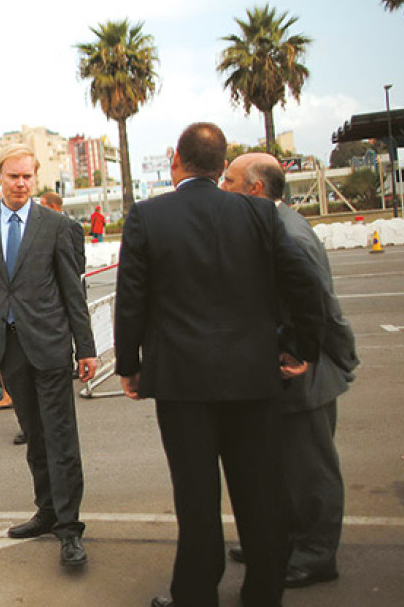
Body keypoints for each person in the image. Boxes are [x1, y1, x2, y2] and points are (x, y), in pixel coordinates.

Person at [114, 123, 324, 607]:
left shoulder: (148, 216)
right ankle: (263, 594)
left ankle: (195, 593)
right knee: (259, 496)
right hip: (252, 378)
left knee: (196, 500)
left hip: (182, 385)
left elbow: (132, 300)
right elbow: (303, 284)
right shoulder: (259, 213)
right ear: (220, 164)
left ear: (175, 162)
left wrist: (130, 364)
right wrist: (300, 347)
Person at [221, 152, 358, 589]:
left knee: (310, 470)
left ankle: (317, 556)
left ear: (254, 188)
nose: (222, 187)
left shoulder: (288, 232)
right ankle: (278, 542)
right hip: (285, 364)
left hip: (304, 366)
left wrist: (319, 356)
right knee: (281, 465)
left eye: (229, 179)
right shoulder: (268, 224)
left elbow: (318, 304)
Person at [0, 144, 97, 567]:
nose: (20, 184)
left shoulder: (55, 224)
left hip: (52, 344)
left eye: (27, 177)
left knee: (60, 438)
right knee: (34, 434)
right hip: (8, 348)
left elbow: (72, 290)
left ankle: (70, 529)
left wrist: (86, 347)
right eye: (13, 176)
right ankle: (47, 511)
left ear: (35, 179)